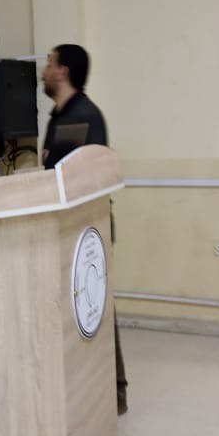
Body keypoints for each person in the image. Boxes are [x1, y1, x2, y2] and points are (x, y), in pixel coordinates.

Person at [40, 44, 128, 415]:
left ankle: (114, 392)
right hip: (63, 226)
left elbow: (81, 178)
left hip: (85, 227)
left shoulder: (85, 116)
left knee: (95, 305)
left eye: (49, 63)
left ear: (62, 72)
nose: (43, 70)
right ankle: (85, 387)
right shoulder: (59, 116)